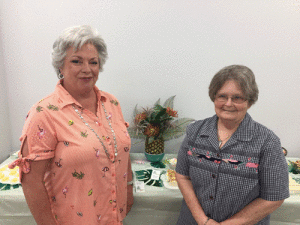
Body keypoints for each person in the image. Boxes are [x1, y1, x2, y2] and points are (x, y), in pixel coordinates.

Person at [8, 25, 133, 225]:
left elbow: (121, 146)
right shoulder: (44, 113)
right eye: (76, 61)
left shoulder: (111, 103)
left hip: (113, 216)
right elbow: (31, 183)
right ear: (60, 66)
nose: (87, 69)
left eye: (93, 62)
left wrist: (128, 186)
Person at [175, 65, 289, 225]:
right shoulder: (195, 131)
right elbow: (182, 175)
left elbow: (274, 197)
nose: (228, 103)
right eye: (222, 96)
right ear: (214, 97)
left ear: (249, 102)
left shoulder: (267, 142)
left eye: (237, 98)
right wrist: (203, 220)